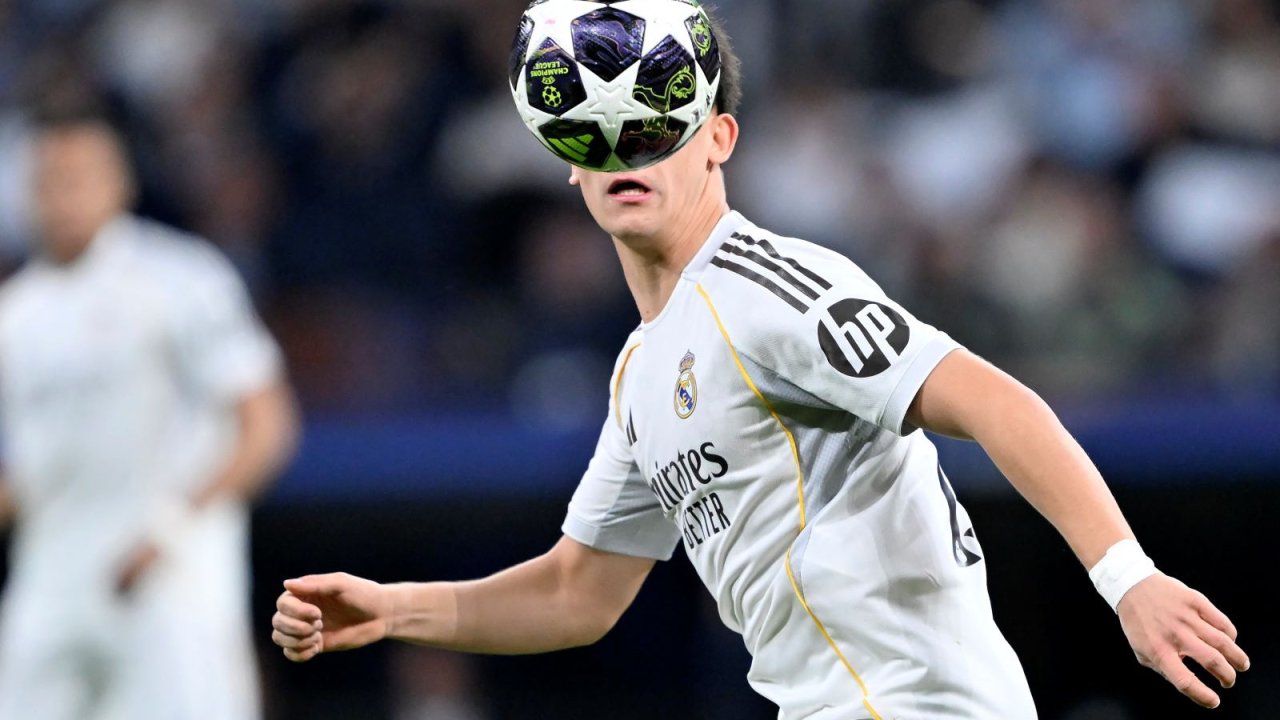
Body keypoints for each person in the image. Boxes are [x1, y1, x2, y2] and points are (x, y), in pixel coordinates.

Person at [271, 8, 1248, 719]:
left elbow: (995, 401)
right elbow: (578, 591)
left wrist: (1128, 578)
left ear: (719, 141)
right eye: (597, 133)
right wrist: (394, 610)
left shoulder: (767, 287)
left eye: (655, 125)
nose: (625, 151)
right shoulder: (641, 370)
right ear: (568, 162)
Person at [0, 110, 299, 720]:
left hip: (169, 580)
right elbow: (31, 470)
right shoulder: (16, 313)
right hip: (51, 582)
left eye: (78, 177)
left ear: (120, 183)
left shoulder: (181, 279)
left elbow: (267, 426)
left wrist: (170, 528)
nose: (62, 197)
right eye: (48, 181)